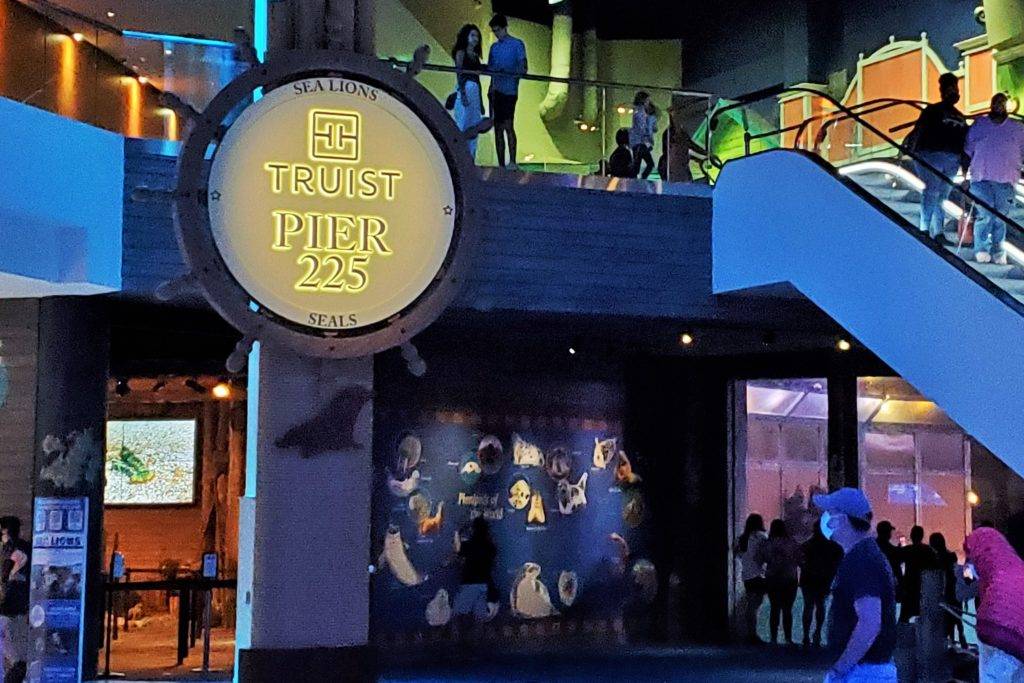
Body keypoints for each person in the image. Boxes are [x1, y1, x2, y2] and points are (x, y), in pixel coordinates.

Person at [813, 488, 897, 683]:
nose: (825, 519)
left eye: (830, 513)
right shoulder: (862, 556)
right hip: (864, 669)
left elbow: (869, 623)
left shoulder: (862, 560)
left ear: (843, 519)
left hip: (862, 672)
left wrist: (840, 669)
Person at [906, 72, 967, 243]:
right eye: (950, 89)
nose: (954, 92)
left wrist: (964, 165)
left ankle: (938, 231)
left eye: (955, 88)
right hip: (930, 154)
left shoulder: (959, 116)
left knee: (942, 196)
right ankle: (925, 228)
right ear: (943, 90)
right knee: (932, 191)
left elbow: (964, 142)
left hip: (952, 159)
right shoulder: (933, 111)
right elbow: (919, 130)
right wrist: (911, 151)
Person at [965, 92, 1024, 265]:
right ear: (991, 105)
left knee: (1000, 218)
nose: (999, 106)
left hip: (1006, 179)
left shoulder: (1017, 128)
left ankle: (998, 251)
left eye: (1002, 103)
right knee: (985, 215)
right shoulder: (979, 124)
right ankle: (981, 249)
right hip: (981, 178)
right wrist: (964, 176)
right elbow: (968, 150)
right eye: (996, 103)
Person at [964, 526, 1024, 681]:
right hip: (1020, 638)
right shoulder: (1016, 567)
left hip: (997, 634)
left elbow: (966, 591)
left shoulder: (994, 576)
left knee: (993, 677)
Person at [486, 14, 527, 170]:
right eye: (494, 32)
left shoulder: (517, 44)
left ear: (504, 28)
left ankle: (513, 161)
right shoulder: (494, 48)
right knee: (497, 128)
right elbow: (491, 69)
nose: (496, 34)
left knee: (508, 125)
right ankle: (501, 163)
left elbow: (523, 68)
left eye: (498, 31)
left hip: (509, 91)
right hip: (496, 90)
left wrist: (509, 72)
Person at [801, 520, 843, 648]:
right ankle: (817, 633)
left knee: (808, 606)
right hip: (824, 579)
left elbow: (799, 559)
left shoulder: (807, 544)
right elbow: (839, 562)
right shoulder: (833, 546)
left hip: (808, 578)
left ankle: (806, 635)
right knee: (821, 605)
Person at [0, 516, 30, 681]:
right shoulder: (24, 546)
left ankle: (17, 665)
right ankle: (16, 666)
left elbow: (6, 572)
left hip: (11, 600)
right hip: (18, 600)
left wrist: (7, 575)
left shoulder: (12, 548)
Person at [453, 517, 498, 623]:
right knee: (480, 618)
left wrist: (457, 532)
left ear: (474, 529)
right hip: (485, 583)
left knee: (458, 615)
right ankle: (479, 639)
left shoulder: (470, 544)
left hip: (470, 582)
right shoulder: (491, 546)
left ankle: (461, 639)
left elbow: (458, 549)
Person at [451, 24, 486, 159]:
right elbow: (459, 73)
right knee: (464, 121)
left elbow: (477, 79)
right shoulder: (461, 53)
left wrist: (482, 103)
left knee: (474, 122)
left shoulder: (475, 55)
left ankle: (471, 156)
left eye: (477, 36)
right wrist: (463, 94)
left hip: (475, 90)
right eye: (473, 35)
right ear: (466, 37)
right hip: (466, 88)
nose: (475, 39)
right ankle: (460, 156)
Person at [765, 519, 801, 645]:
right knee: (787, 609)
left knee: (774, 608)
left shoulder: (768, 543)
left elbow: (764, 558)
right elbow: (799, 559)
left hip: (772, 578)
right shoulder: (792, 542)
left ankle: (773, 638)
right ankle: (788, 638)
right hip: (789, 578)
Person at [927, 532, 967, 648]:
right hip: (954, 588)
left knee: (947, 618)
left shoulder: (936, 559)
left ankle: (951, 642)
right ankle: (961, 638)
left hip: (944, 591)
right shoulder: (951, 556)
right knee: (957, 617)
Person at [736, 513, 769, 644]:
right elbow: (765, 555)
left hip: (746, 575)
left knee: (751, 605)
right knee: (756, 605)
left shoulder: (742, 538)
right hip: (759, 574)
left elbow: (738, 555)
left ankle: (750, 633)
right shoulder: (761, 537)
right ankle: (753, 634)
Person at [898, 525, 937, 623]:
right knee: (925, 619)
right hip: (924, 586)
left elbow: (896, 560)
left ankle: (903, 637)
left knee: (904, 618)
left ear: (911, 536)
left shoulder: (907, 550)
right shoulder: (928, 550)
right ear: (922, 535)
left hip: (909, 587)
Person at [875, 521, 903, 603]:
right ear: (887, 533)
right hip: (888, 588)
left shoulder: (871, 548)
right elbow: (897, 570)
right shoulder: (892, 551)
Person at [630, 92, 656, 179]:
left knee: (637, 166)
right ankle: (641, 180)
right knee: (648, 164)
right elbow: (642, 128)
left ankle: (638, 181)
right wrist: (647, 140)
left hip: (637, 143)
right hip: (640, 143)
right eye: (647, 100)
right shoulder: (641, 112)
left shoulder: (636, 111)